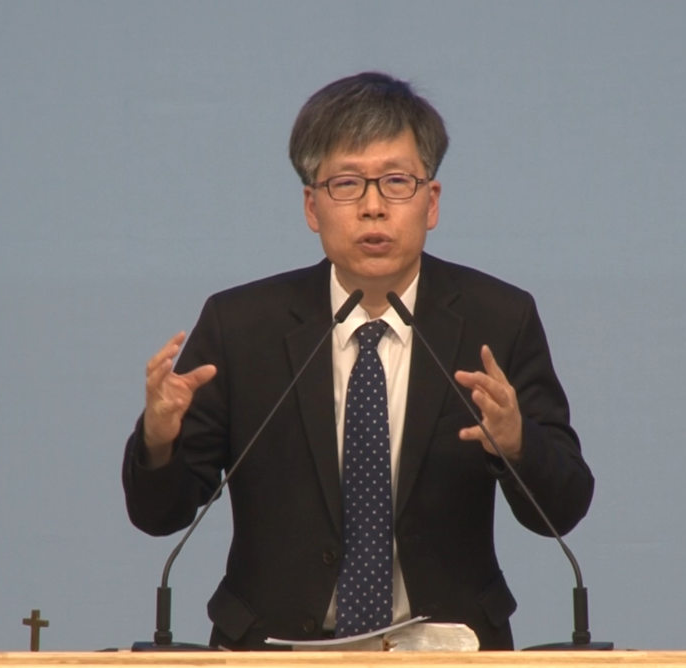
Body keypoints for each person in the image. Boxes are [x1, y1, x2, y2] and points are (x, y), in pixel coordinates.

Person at [122, 72, 593, 650]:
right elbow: (159, 516)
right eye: (346, 184)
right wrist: (159, 439)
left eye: (396, 182)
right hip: (271, 651)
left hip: (448, 651)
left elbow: (563, 509)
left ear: (431, 202)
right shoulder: (240, 326)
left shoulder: (498, 319)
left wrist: (518, 444)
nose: (373, 207)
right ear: (312, 206)